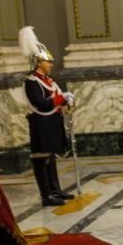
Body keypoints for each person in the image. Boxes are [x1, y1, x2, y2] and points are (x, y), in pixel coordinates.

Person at [19, 26, 75, 207]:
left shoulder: (48, 81)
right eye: (48, 61)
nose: (51, 64)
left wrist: (66, 101)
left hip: (52, 123)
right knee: (42, 159)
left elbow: (55, 99)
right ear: (39, 62)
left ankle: (55, 190)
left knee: (51, 157)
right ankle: (46, 195)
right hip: (41, 124)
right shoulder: (31, 82)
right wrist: (60, 98)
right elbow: (40, 104)